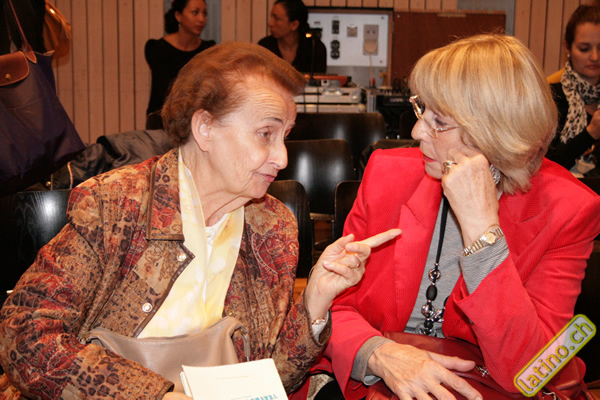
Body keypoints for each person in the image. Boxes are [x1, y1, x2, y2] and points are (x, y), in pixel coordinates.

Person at [0, 41, 400, 399]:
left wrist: (315, 301)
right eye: (265, 134)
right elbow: (25, 335)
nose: (282, 158)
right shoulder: (116, 205)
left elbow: (272, 377)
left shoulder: (272, 225)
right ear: (205, 128)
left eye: (285, 136)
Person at [294, 34, 600, 400]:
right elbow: (333, 305)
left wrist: (482, 232)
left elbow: (529, 370)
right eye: (422, 110)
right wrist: (376, 353)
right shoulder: (387, 174)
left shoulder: (568, 209)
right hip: (376, 382)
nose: (416, 132)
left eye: (438, 121)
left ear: (494, 132)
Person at [144, 0, 216, 129]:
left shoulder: (208, 50)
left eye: (204, 14)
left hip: (195, 121)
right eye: (195, 12)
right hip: (161, 121)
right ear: (178, 15)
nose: (201, 19)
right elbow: (163, 90)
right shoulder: (157, 48)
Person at [546, 5, 600, 174]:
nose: (595, 57)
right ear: (567, 48)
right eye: (584, 49)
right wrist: (590, 134)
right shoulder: (550, 98)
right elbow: (544, 166)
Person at [258, 0, 326, 75]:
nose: (270, 24)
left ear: (294, 25)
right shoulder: (265, 46)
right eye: (271, 17)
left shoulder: (315, 48)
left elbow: (319, 78)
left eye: (276, 19)